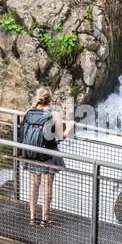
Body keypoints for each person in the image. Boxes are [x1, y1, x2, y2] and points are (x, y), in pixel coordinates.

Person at [21, 88, 72, 227]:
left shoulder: (28, 112)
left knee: (33, 185)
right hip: (47, 154)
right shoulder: (54, 114)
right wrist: (70, 127)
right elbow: (61, 137)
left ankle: (32, 217)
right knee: (47, 186)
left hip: (31, 153)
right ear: (50, 99)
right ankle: (45, 218)